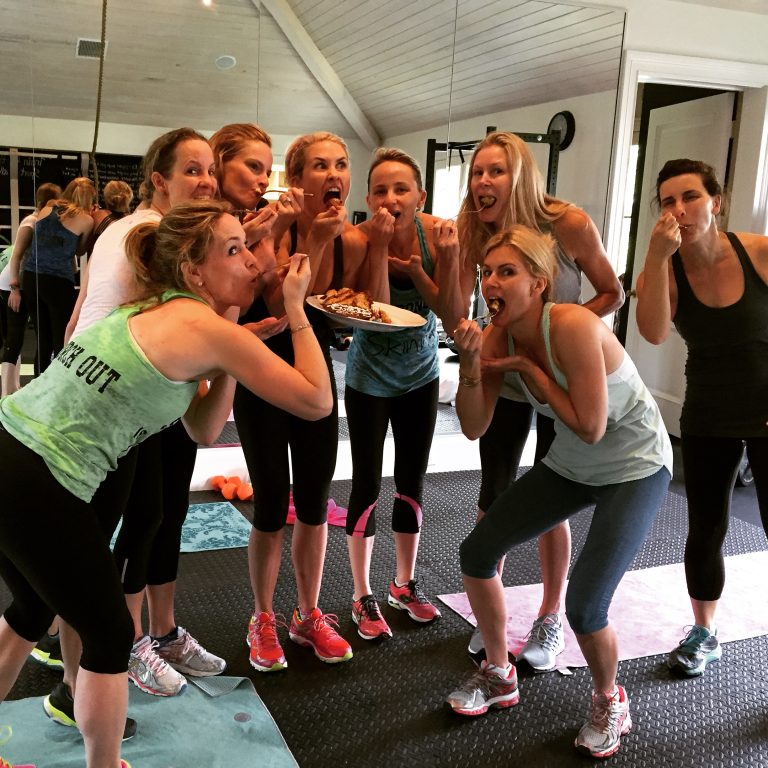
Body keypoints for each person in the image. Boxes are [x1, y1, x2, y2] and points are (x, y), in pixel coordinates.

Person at [0, 198, 331, 768]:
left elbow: (202, 429)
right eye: (235, 250)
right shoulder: (203, 326)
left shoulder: (164, 308)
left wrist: (233, 355)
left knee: (32, 610)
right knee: (109, 636)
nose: (254, 262)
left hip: (10, 453)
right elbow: (318, 401)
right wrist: (299, 310)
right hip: (36, 477)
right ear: (194, 271)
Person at [447, 225, 671, 759]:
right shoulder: (498, 335)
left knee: (586, 605)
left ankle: (610, 699)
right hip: (573, 465)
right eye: (486, 272)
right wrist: (472, 365)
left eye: (507, 271)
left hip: (636, 466)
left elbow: (592, 426)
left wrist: (527, 367)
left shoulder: (570, 325)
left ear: (538, 283)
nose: (491, 282)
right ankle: (499, 673)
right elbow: (473, 426)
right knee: (477, 552)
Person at [52, 129, 228, 714]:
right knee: (107, 533)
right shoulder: (149, 233)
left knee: (146, 517)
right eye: (193, 171)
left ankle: (109, 651)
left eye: (210, 170)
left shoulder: (129, 228)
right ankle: (91, 666)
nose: (206, 181)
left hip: (112, 393)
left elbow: (85, 307)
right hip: (105, 402)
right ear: (159, 179)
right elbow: (167, 319)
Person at [214, 127, 386, 672]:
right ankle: (262, 616)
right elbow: (276, 303)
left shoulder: (348, 237)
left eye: (341, 165)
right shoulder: (266, 226)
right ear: (297, 177)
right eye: (320, 165)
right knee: (270, 505)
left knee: (314, 502)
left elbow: (361, 305)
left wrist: (374, 243)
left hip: (315, 377)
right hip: (262, 375)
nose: (333, 175)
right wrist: (309, 237)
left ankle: (308, 613)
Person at [456, 131, 624, 667]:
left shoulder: (567, 223)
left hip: (561, 377)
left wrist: (558, 337)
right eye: (477, 172)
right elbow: (465, 303)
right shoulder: (478, 230)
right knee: (495, 489)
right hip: (506, 373)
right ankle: (492, 614)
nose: (483, 181)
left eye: (496, 171)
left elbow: (613, 292)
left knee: (555, 496)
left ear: (521, 176)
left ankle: (550, 617)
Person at [635, 158, 768, 677]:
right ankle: (704, 632)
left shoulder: (759, 252)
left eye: (690, 196)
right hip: (709, 412)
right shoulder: (664, 270)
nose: (680, 209)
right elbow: (651, 332)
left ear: (716, 201)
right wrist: (655, 256)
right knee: (707, 526)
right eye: (668, 201)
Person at [343, 148, 466, 640]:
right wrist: (378, 245)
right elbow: (376, 312)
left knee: (412, 481)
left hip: (421, 376)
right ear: (368, 197)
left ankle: (403, 583)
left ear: (421, 196)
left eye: (401, 189)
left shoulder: (439, 237)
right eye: (380, 190)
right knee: (366, 484)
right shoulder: (359, 238)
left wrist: (447, 262)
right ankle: (361, 594)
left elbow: (453, 315)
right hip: (368, 379)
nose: (390, 199)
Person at [8, 177, 95, 375]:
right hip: (59, 283)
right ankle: (58, 382)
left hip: (32, 278)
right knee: (61, 339)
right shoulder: (87, 220)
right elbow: (80, 251)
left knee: (42, 337)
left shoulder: (47, 209)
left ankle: (38, 381)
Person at [0, 183, 61, 397]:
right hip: (13, 283)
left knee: (26, 336)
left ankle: (15, 389)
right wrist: (15, 289)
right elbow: (16, 257)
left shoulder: (45, 223)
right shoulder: (31, 223)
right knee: (15, 337)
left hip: (26, 283)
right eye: (55, 202)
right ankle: (6, 393)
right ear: (45, 203)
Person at [87, 179, 134, 254]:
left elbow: (86, 245)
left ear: (106, 197)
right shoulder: (134, 221)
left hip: (97, 260)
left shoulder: (97, 215)